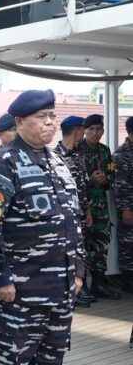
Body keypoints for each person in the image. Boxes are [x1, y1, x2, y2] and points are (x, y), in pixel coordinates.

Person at [0, 90, 85, 365]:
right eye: (41, 116)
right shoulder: (3, 163)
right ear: (20, 121)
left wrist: (79, 271)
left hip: (60, 290)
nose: (49, 122)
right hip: (20, 293)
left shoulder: (58, 162)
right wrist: (0, 278)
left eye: (52, 116)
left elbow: (73, 221)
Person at [79, 114, 121, 300]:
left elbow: (112, 172)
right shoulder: (77, 150)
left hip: (101, 206)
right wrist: (90, 179)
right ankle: (81, 286)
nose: (95, 133)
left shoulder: (105, 151)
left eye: (99, 129)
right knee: (82, 245)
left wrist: (106, 179)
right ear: (84, 131)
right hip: (82, 205)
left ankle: (98, 283)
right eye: (91, 129)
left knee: (102, 244)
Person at [55, 115, 95, 306]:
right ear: (77, 131)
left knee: (81, 249)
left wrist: (88, 210)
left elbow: (83, 186)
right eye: (83, 130)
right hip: (65, 215)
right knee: (66, 251)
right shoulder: (55, 157)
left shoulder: (79, 155)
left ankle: (80, 286)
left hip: (80, 213)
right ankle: (68, 289)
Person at [112, 117, 133, 293]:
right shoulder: (121, 154)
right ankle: (128, 279)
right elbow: (119, 184)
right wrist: (125, 209)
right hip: (129, 207)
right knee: (128, 244)